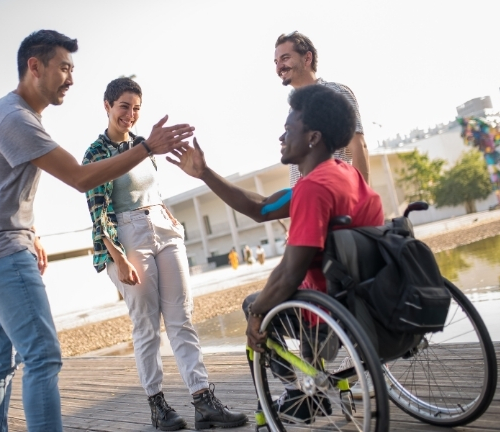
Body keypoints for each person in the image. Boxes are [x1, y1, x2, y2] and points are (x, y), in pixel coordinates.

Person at [0, 30, 194, 432]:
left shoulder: (12, 113)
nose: (71, 78)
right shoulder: (17, 119)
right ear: (35, 67)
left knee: (1, 357)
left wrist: (31, 229)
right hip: (2, 252)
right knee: (43, 357)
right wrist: (146, 148)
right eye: (64, 68)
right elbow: (81, 179)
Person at [170, 85, 383, 423]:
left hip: (332, 313)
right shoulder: (347, 174)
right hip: (367, 303)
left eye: (288, 129)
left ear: (312, 137)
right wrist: (205, 173)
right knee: (280, 298)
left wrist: (257, 314)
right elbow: (262, 207)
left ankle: (300, 391)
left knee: (255, 304)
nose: (281, 136)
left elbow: (289, 273)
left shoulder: (313, 189)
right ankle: (306, 387)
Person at [82, 78, 247, 431]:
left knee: (181, 318)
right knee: (146, 326)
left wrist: (165, 212)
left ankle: (204, 400)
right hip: (127, 236)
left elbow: (148, 190)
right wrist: (118, 256)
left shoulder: (143, 145)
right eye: (124, 106)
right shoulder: (95, 153)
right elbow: (99, 211)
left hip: (162, 228)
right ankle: (158, 407)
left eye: (137, 107)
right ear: (107, 106)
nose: (131, 114)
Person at [274, 31, 370, 185]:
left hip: (336, 198)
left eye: (285, 58)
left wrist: (360, 203)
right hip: (310, 203)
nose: (279, 67)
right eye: (276, 62)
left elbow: (358, 146)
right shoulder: (293, 110)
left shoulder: (334, 93)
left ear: (307, 58)